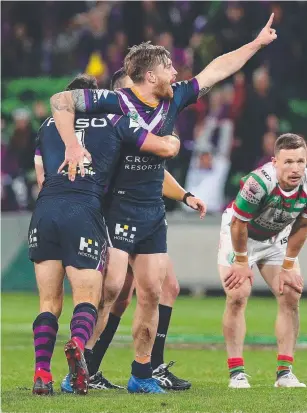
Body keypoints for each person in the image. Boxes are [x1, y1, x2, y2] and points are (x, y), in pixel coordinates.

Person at [48, 15, 277, 393]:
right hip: (115, 207)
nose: (176, 73)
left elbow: (217, 70)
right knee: (111, 290)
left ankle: (140, 374)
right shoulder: (114, 100)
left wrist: (255, 44)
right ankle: (81, 370)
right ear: (151, 75)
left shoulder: (176, 99)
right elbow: (60, 100)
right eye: (169, 67)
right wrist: (73, 144)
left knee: (153, 292)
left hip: (152, 211)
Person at [30, 74, 180, 396]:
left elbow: (41, 176)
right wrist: (173, 141)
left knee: (48, 302)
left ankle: (42, 372)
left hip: (45, 210)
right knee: (90, 297)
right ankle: (79, 346)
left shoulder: (45, 127)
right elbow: (160, 148)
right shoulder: (115, 121)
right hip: (85, 209)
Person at [68, 69, 205, 393]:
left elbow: (157, 173)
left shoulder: (144, 125)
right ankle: (89, 366)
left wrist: (185, 195)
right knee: (115, 290)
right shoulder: (115, 126)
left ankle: (147, 367)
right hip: (115, 215)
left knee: (163, 287)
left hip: (147, 217)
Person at [218, 133, 307, 389]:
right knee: (238, 294)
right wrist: (242, 261)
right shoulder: (258, 183)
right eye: (288, 162)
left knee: (291, 294)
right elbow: (238, 223)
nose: (295, 168)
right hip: (240, 235)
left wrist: (288, 265)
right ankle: (237, 373)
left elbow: (303, 225)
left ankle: (285, 373)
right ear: (275, 161)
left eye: (300, 161)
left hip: (277, 237)